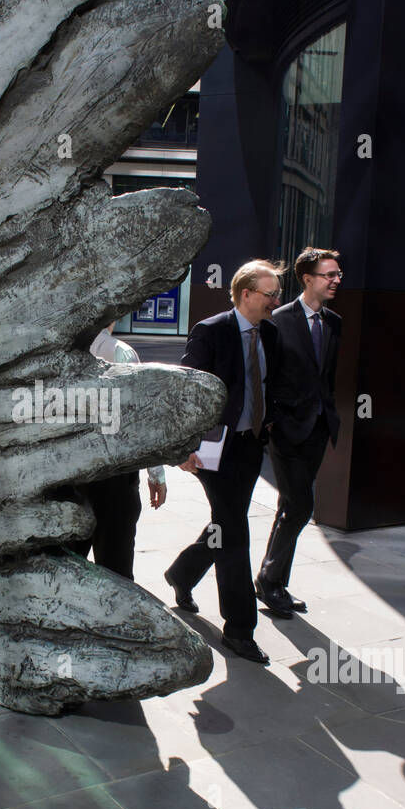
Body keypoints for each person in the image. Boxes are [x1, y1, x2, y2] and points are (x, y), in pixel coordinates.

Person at [164, 260, 282, 663]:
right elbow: (186, 393)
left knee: (225, 522)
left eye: (277, 294)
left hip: (250, 446)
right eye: (270, 294)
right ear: (245, 294)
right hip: (214, 450)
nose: (276, 301)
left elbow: (270, 384)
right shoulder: (211, 331)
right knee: (234, 533)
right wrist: (183, 448)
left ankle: (182, 573)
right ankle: (239, 629)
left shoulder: (271, 333)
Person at [255, 247, 342, 617]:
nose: (336, 280)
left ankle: (274, 583)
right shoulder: (278, 320)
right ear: (308, 279)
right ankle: (269, 579)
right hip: (286, 429)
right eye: (329, 275)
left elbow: (326, 376)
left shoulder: (334, 322)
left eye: (338, 274)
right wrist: (272, 419)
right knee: (301, 506)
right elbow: (265, 373)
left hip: (319, 427)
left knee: (289, 507)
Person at [73, 324, 166, 579]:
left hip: (68, 476)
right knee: (116, 569)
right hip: (113, 477)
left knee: (65, 570)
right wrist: (157, 474)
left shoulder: (57, 350)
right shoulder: (121, 353)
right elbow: (139, 419)